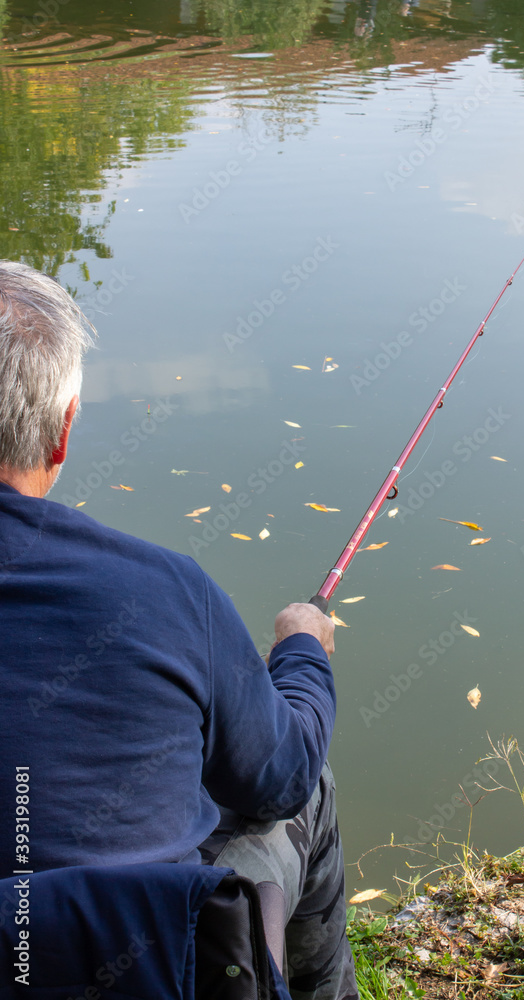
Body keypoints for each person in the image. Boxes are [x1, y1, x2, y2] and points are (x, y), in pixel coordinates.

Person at [0, 260, 358, 1000]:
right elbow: (279, 778)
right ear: (63, 433)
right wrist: (301, 650)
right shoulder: (166, 593)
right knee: (308, 786)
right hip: (149, 970)